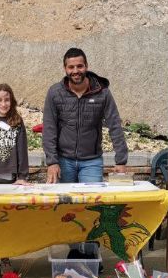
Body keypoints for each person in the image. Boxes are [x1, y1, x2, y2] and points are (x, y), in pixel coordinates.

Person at [42, 47, 128, 184]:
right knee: (65, 204)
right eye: (71, 67)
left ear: (86, 66)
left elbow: (115, 126)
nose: (75, 71)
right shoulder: (55, 93)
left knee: (92, 203)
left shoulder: (102, 92)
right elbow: (49, 128)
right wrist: (52, 162)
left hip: (91, 162)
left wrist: (121, 161)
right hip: (63, 161)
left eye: (80, 66)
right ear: (65, 69)